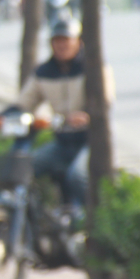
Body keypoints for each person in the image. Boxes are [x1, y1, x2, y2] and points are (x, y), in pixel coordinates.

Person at [17, 18, 113, 215]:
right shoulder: (44, 72)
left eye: (66, 39)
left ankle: (94, 220)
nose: (62, 45)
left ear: (79, 41)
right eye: (57, 40)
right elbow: (23, 103)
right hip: (62, 142)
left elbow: (106, 100)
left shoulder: (94, 67)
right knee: (24, 168)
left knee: (77, 176)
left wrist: (87, 116)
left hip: (91, 142)